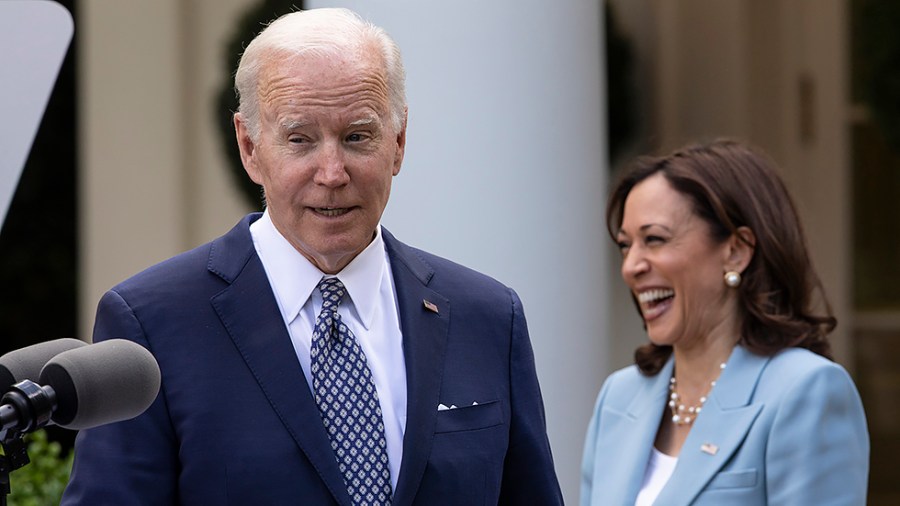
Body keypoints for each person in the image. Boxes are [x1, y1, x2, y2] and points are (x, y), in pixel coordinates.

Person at [62, 8, 562, 505]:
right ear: (249, 146)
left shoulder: (489, 318)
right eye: (300, 139)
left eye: (357, 137)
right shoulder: (153, 324)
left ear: (400, 142)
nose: (332, 172)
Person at [581, 139, 869, 505]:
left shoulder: (806, 391)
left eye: (654, 239)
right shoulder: (618, 398)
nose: (631, 267)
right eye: (626, 245)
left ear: (736, 251)